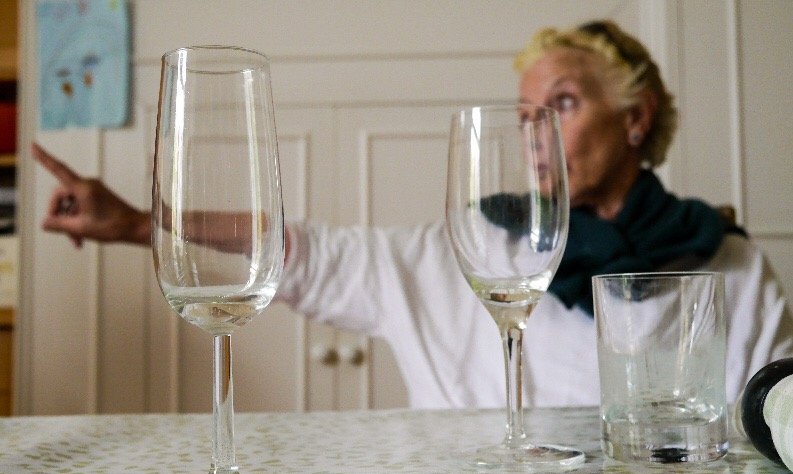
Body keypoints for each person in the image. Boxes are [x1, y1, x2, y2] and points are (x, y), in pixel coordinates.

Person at [33, 20, 793, 409]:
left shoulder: (727, 264)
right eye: (525, 114)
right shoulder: (469, 246)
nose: (534, 134)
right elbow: (303, 253)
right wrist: (144, 223)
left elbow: (773, 413)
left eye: (562, 103)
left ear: (635, 117)